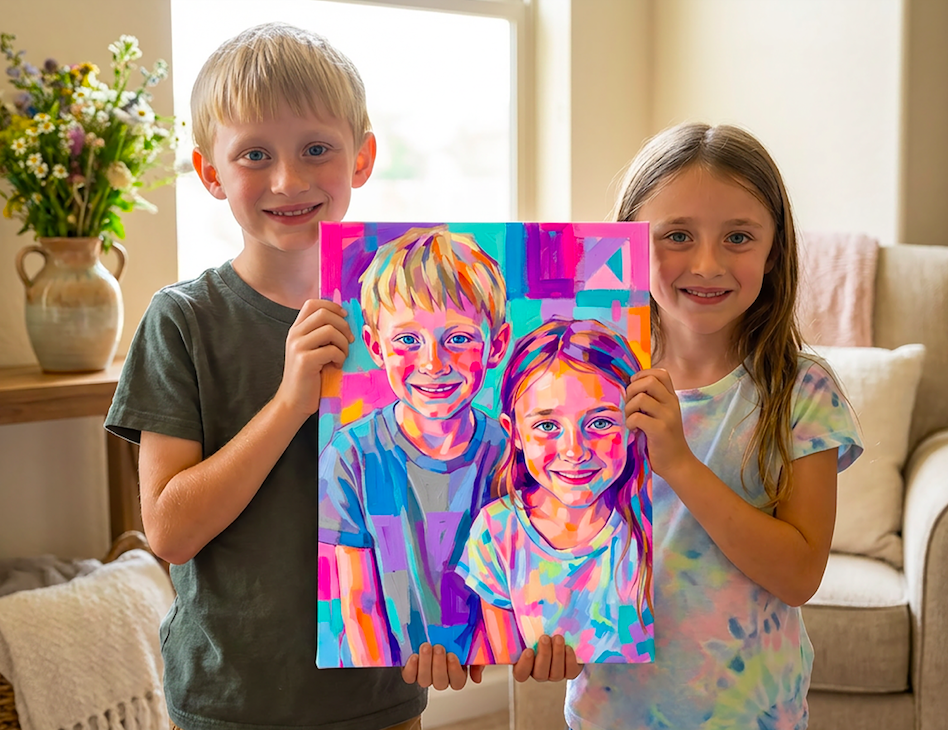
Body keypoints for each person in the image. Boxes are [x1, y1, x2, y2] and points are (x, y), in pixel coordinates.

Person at [104, 22, 431, 730]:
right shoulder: (182, 321)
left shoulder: (410, 315)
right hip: (232, 699)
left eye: (317, 149)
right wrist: (291, 402)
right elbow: (168, 531)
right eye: (255, 154)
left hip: (378, 690)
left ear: (363, 158)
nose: (289, 180)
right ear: (211, 172)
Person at [564, 123, 864, 729]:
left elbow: (800, 575)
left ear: (774, 249)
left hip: (750, 713)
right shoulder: (582, 382)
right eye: (677, 235)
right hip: (609, 712)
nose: (706, 264)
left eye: (738, 237)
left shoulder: (801, 391)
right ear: (626, 242)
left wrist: (677, 463)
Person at [318, 225, 511, 668]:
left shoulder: (509, 455)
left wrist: (484, 663)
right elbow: (359, 603)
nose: (433, 363)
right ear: (375, 347)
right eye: (407, 340)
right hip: (379, 680)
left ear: (496, 346)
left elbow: (505, 598)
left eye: (458, 338)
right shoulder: (350, 457)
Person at [457, 318, 654, 665]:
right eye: (547, 426)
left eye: (600, 423)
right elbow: (511, 665)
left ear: (633, 426)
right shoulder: (497, 532)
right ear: (514, 432)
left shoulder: (654, 521)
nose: (574, 451)